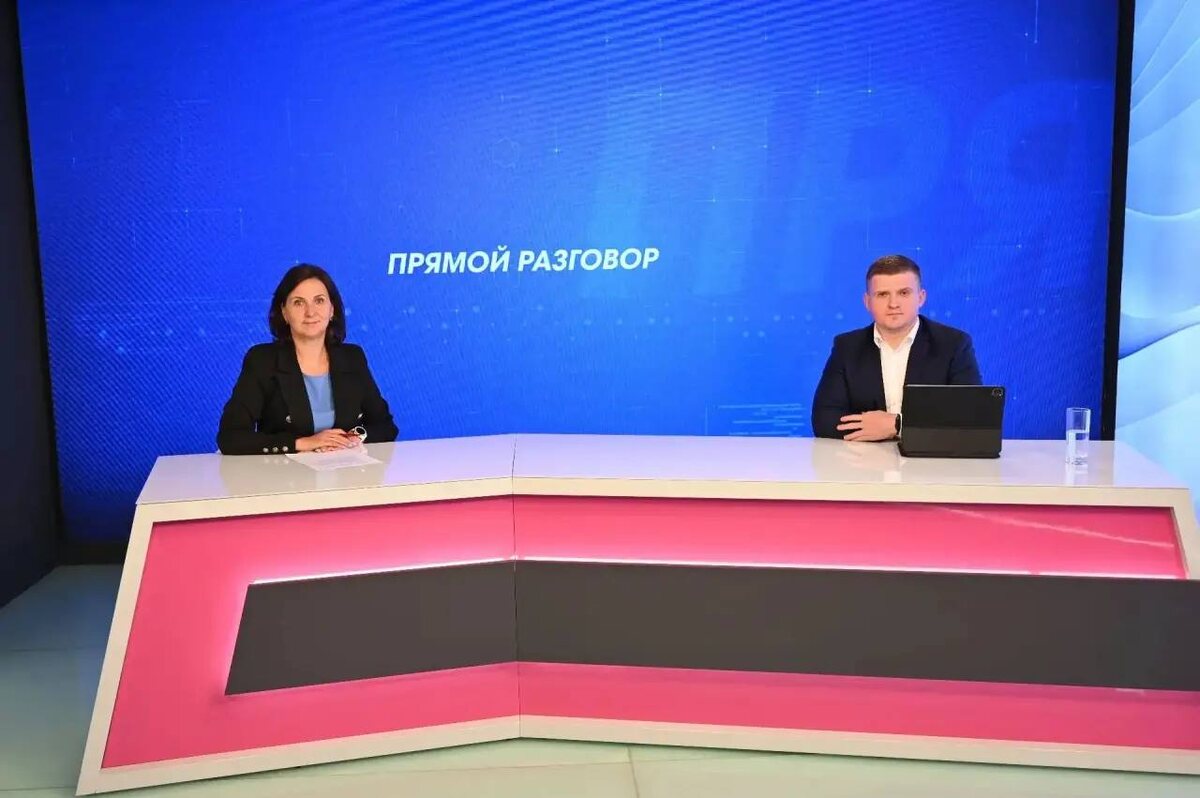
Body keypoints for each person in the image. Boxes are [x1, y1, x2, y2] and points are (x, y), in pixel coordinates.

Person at [217, 264, 398, 455]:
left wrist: (350, 438)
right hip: (283, 471)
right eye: (298, 303)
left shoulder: (352, 357)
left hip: (344, 469)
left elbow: (385, 426)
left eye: (319, 301)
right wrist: (302, 443)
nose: (310, 312)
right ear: (284, 312)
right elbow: (230, 437)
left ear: (332, 310)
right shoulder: (262, 360)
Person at [811, 254, 981, 441]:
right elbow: (824, 419)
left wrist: (898, 425)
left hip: (930, 457)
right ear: (867, 302)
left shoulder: (953, 344)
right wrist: (872, 431)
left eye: (904, 293)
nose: (893, 304)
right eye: (882, 294)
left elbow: (970, 417)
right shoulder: (847, 347)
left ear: (921, 298)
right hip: (864, 456)